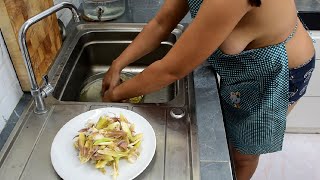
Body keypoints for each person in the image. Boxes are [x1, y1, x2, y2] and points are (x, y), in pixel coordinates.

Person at [101, 0, 315, 179]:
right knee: (233, 136)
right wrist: (118, 64)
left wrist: (115, 95)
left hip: (277, 71)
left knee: (244, 154)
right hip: (243, 66)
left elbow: (171, 71)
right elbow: (161, 22)